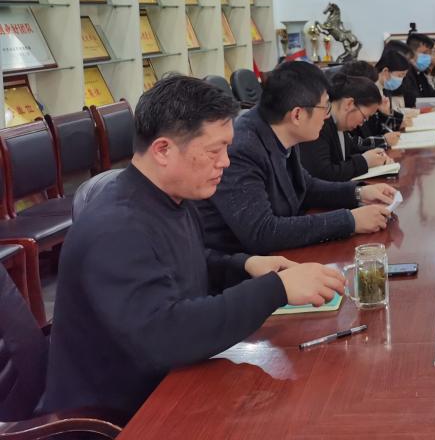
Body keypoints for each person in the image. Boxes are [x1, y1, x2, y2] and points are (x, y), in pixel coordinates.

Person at [41, 76, 346, 416]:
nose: (226, 162)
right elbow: (167, 335)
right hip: (120, 414)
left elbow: (187, 263)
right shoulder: (115, 227)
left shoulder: (171, 197)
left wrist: (246, 266)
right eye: (215, 151)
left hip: (170, 382)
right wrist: (276, 289)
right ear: (163, 150)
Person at [198, 61, 396, 255]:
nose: (327, 116)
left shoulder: (280, 131)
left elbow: (305, 187)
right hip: (243, 264)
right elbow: (263, 232)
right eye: (324, 107)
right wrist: (349, 221)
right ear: (297, 115)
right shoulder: (242, 148)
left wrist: (359, 193)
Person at [298, 72, 394, 181]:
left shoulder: (339, 124)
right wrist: (365, 162)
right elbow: (324, 173)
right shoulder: (320, 125)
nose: (362, 123)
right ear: (349, 104)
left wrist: (377, 156)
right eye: (364, 117)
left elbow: (352, 150)